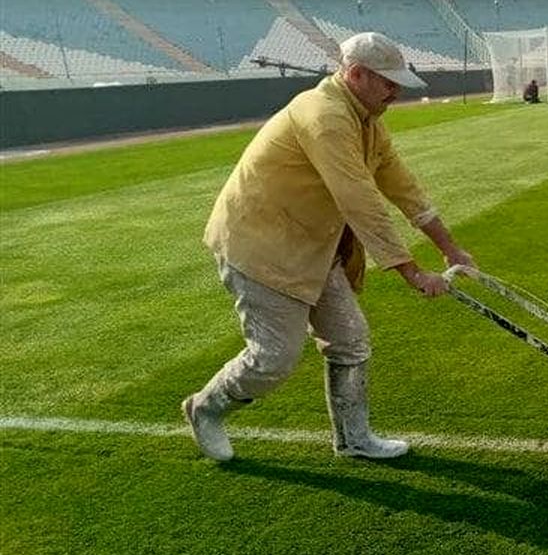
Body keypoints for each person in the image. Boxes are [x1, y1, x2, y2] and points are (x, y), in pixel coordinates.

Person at [182, 31, 475, 463]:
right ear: (356, 74)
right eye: (388, 82)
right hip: (261, 247)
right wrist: (411, 271)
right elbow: (358, 200)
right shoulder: (325, 116)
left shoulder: (367, 123)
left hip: (313, 248)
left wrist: (451, 249)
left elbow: (403, 187)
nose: (395, 91)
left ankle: (353, 439)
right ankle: (204, 408)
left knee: (350, 340)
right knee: (273, 358)